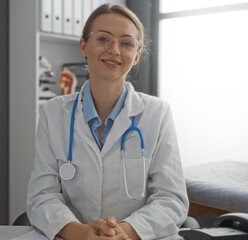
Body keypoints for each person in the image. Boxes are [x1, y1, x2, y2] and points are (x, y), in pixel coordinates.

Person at [27, 4, 189, 240]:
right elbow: (41, 196)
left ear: (136, 56)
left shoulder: (158, 113)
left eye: (126, 43)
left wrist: (120, 232)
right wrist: (83, 233)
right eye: (103, 39)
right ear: (84, 46)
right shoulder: (53, 113)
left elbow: (171, 200)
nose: (114, 50)